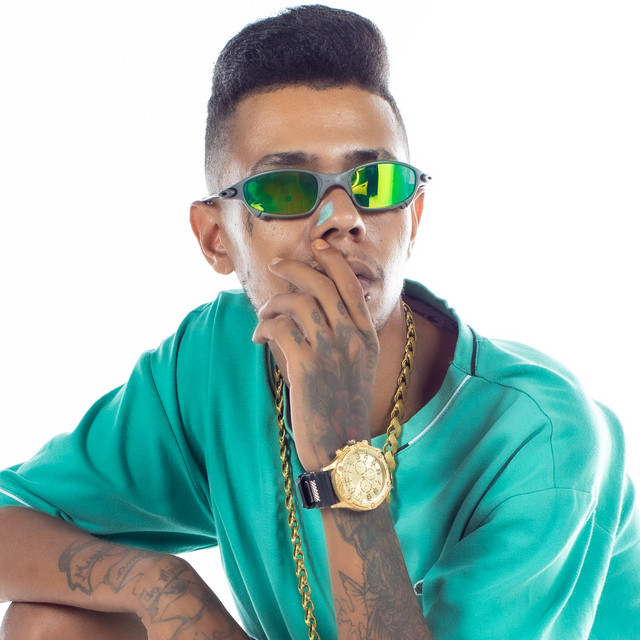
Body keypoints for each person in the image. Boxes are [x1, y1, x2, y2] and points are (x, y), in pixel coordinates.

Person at [0, 5, 638, 639]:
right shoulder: (217, 360)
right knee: (51, 623)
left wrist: (337, 451)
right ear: (216, 239)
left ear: (413, 217)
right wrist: (160, 583)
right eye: (285, 189)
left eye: (375, 182)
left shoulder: (544, 437)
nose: (343, 217)